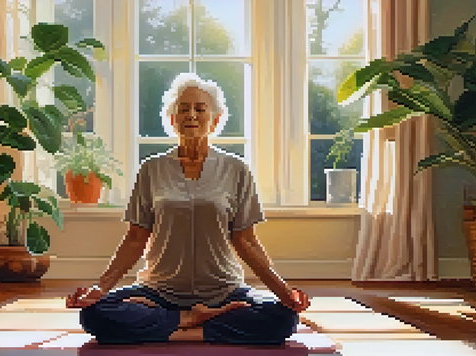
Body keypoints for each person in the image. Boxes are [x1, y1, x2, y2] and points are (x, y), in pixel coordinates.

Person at [66, 72, 311, 345]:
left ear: (215, 119)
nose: (191, 115)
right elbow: (136, 238)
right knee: (95, 315)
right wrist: (100, 288)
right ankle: (192, 321)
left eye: (199, 108)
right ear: (172, 120)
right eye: (183, 109)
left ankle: (180, 325)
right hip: (157, 292)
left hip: (224, 291)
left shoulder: (236, 170)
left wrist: (284, 291)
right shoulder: (151, 169)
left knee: (283, 318)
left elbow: (247, 241)